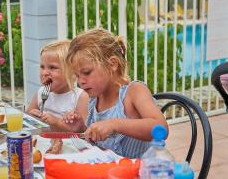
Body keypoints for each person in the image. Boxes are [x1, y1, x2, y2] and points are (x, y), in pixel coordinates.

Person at [63, 28, 168, 158]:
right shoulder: (94, 99)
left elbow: (161, 128)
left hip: (141, 172)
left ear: (112, 64)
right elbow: (99, 144)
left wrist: (115, 124)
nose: (81, 82)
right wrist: (81, 129)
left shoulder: (133, 92)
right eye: (77, 76)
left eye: (87, 72)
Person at [26, 40, 89, 131]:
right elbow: (26, 118)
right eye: (42, 67)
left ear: (71, 70)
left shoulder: (80, 97)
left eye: (52, 67)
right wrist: (31, 116)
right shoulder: (41, 93)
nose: (44, 73)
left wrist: (57, 122)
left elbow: (83, 132)